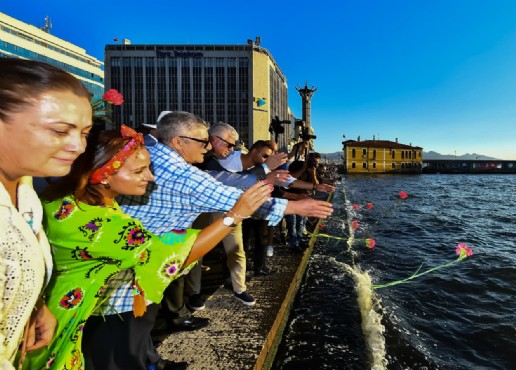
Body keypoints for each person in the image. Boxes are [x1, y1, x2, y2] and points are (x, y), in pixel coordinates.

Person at [25, 126, 273, 370]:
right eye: (139, 171)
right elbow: (171, 255)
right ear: (103, 173)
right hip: (72, 324)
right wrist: (234, 216)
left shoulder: (65, 200)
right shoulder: (101, 226)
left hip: (57, 310)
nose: (151, 177)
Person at [115, 112, 332, 365]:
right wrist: (293, 208)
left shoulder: (154, 153)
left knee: (138, 330)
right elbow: (231, 196)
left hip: (139, 256)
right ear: (178, 141)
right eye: (202, 141)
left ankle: (151, 359)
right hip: (135, 272)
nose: (206, 147)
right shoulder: (180, 172)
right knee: (125, 336)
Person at [0, 58, 92, 369]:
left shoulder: (25, 192)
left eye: (84, 133)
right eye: (59, 131)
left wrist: (32, 305)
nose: (78, 146)